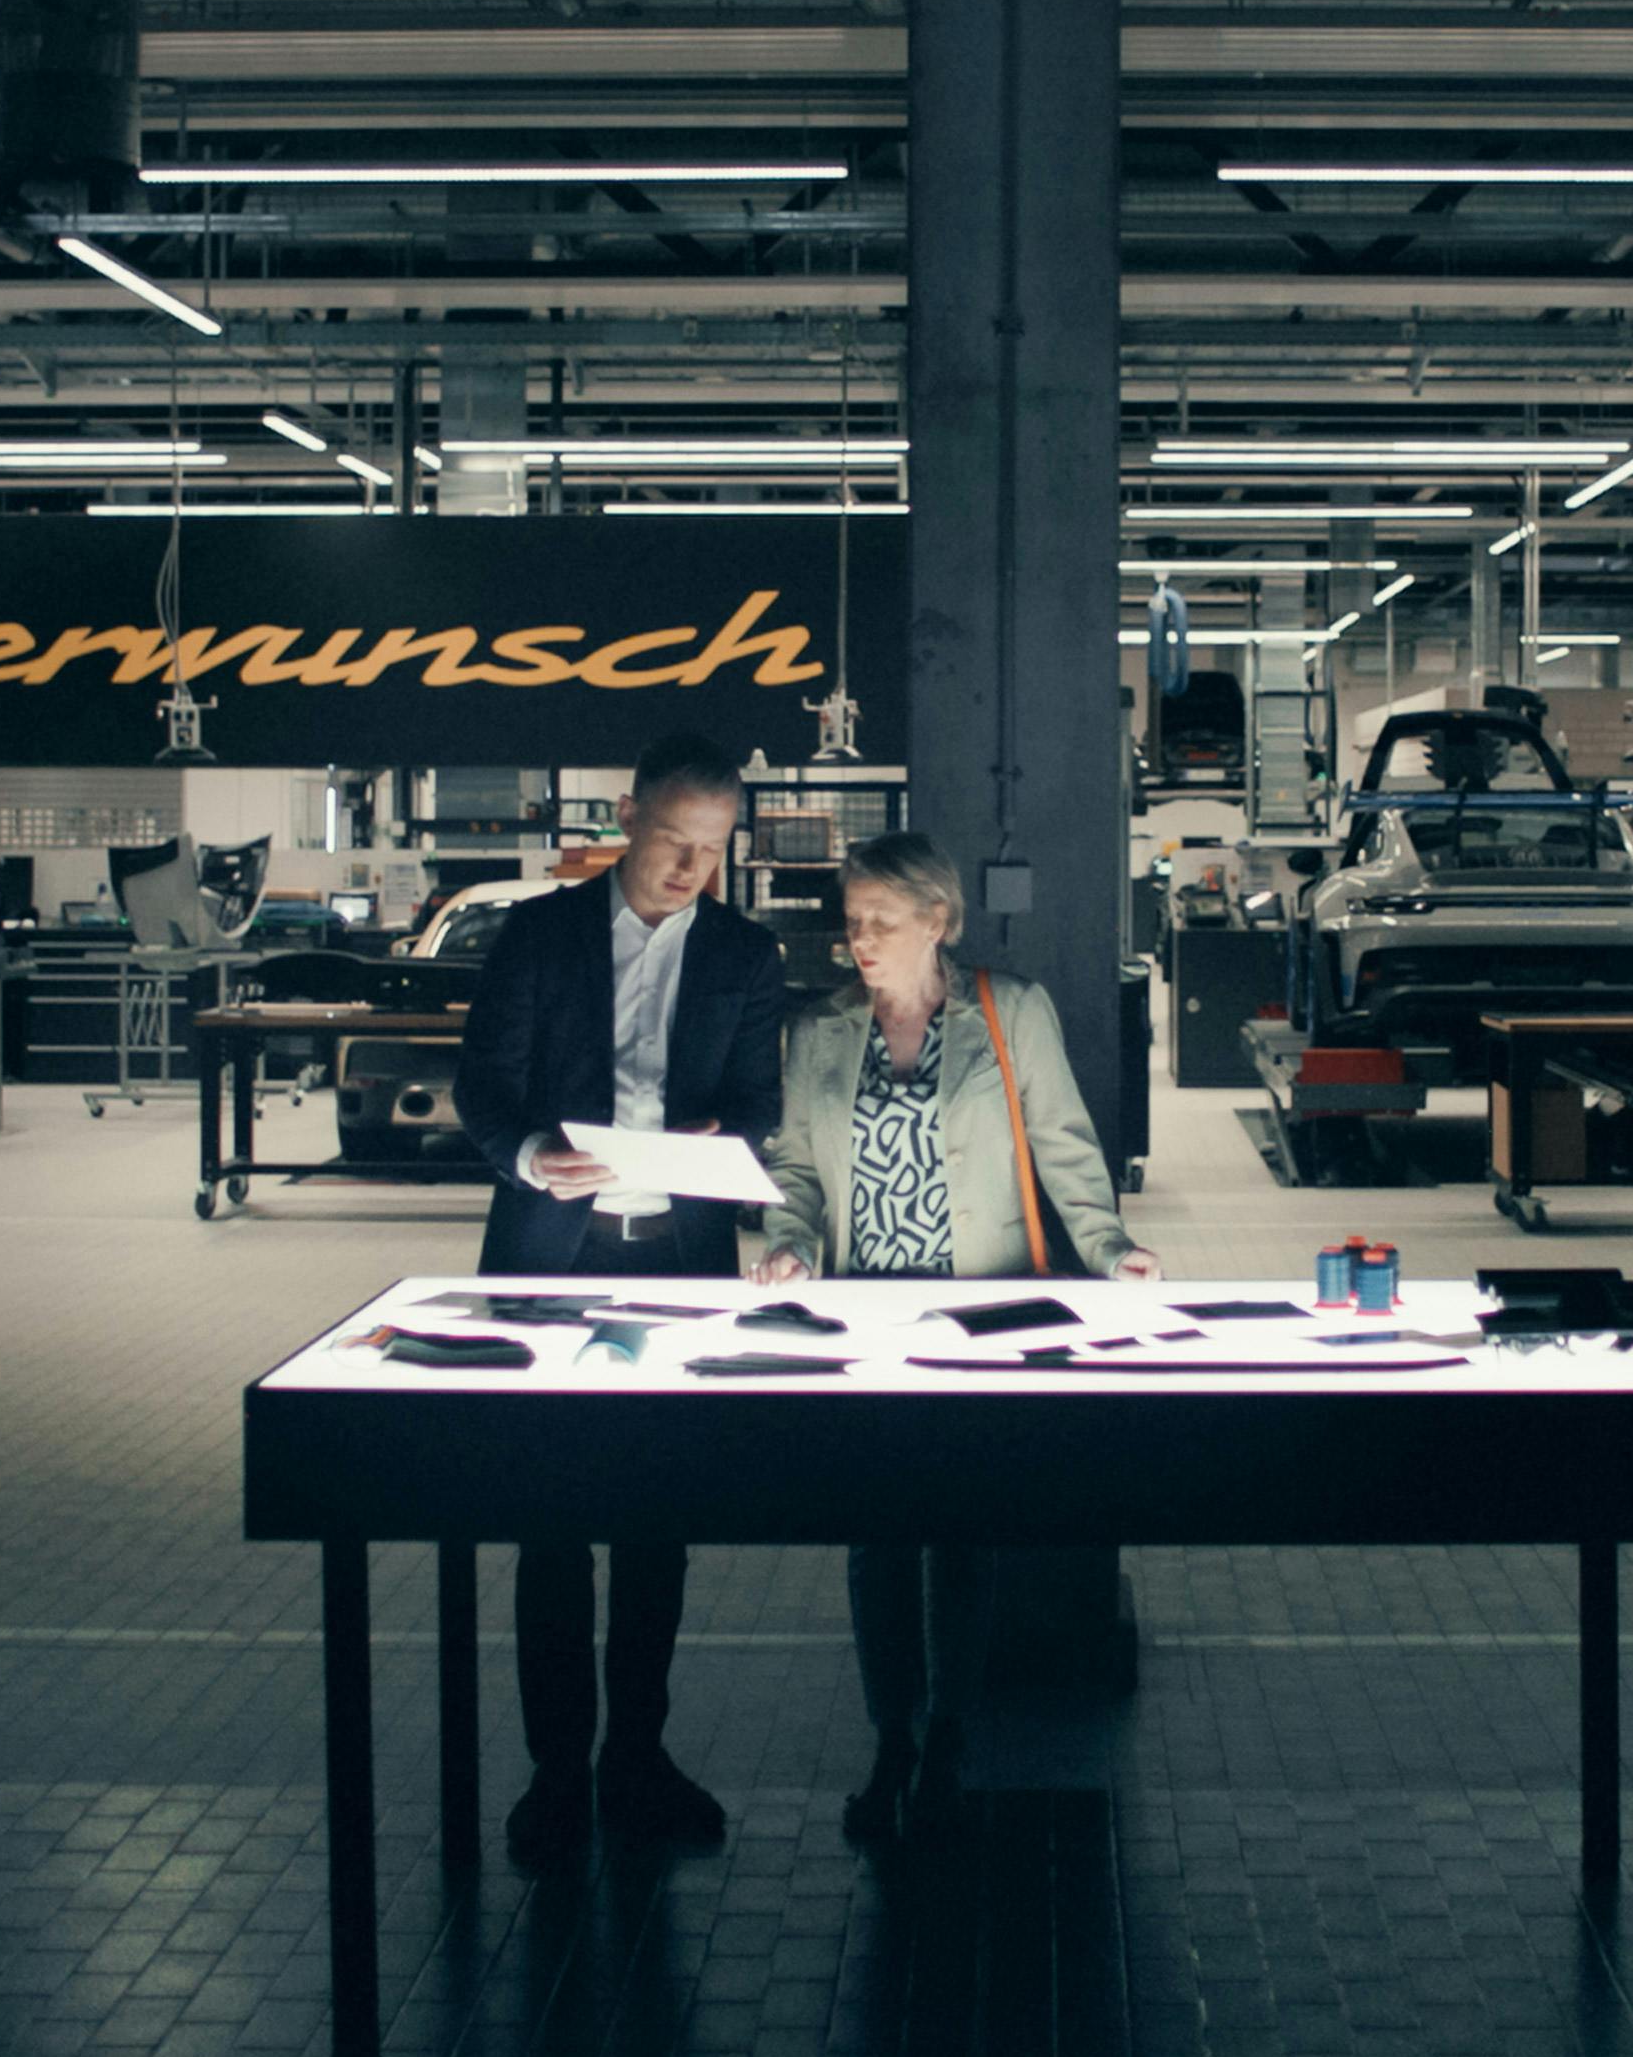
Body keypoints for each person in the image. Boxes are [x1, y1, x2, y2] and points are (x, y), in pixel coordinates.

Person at [748, 830, 1156, 1843]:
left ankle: (952, 1737)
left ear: (938, 920)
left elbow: (1065, 1146)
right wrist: (789, 1247)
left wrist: (1111, 1252)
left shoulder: (1007, 1012)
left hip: (980, 1312)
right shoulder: (821, 1030)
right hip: (861, 1319)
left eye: (881, 922)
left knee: (959, 1532)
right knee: (875, 1538)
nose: (861, 942)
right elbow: (795, 1175)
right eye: (851, 923)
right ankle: (892, 1737)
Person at [455, 729, 787, 1869]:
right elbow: (481, 1086)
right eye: (675, 841)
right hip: (555, 1256)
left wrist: (723, 1139)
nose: (693, 869)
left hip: (677, 1263)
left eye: (712, 848)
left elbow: (759, 1103)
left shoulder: (746, 954)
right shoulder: (538, 934)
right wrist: (531, 1153)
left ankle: (634, 1758)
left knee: (656, 1528)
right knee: (549, 1529)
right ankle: (557, 1774)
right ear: (628, 819)